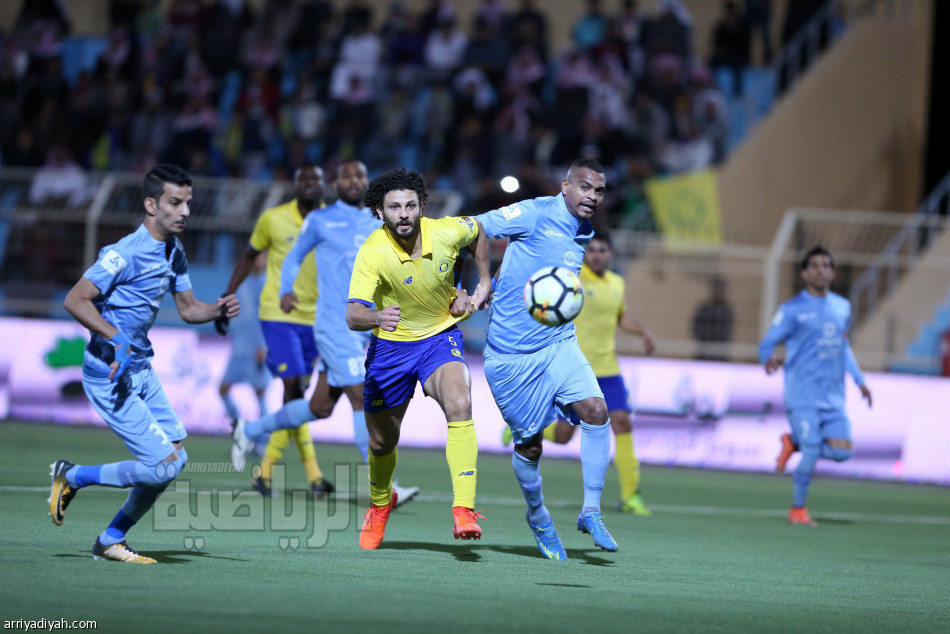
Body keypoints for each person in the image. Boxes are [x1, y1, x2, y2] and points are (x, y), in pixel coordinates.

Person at [50, 164, 240, 563]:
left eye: (188, 202)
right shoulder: (123, 254)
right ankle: (74, 476)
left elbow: (189, 310)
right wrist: (115, 337)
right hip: (109, 373)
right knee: (161, 467)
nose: (184, 211)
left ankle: (110, 539)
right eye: (175, 202)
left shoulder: (174, 250)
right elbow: (75, 299)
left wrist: (218, 310)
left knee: (176, 458)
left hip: (140, 369)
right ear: (151, 205)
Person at [231, 159, 419, 506]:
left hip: (367, 328)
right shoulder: (320, 219)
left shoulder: (380, 220)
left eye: (359, 174)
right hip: (335, 326)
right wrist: (287, 287)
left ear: (367, 181)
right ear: (336, 182)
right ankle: (385, 490)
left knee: (319, 407)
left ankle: (250, 429)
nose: (353, 180)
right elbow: (293, 257)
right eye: (346, 175)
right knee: (363, 398)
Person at [477, 158, 617, 560]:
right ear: (565, 186)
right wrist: (484, 280)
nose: (592, 197)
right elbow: (476, 228)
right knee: (531, 446)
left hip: (558, 344)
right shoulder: (536, 211)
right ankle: (538, 517)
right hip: (510, 357)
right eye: (585, 187)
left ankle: (591, 510)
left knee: (596, 411)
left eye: (599, 191)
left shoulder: (585, 229)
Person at [348, 167, 491, 549]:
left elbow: (476, 230)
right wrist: (377, 317)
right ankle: (380, 504)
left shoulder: (445, 231)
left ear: (422, 206)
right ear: (380, 212)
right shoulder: (372, 252)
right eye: (394, 207)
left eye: (411, 205)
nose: (404, 214)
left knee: (460, 402)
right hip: (390, 349)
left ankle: (464, 509)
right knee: (381, 442)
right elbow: (352, 315)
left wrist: (480, 284)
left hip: (439, 338)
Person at [504, 232, 657, 516]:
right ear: (586, 253)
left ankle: (630, 496)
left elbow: (620, 316)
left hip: (609, 369)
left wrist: (643, 332)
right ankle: (527, 430)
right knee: (564, 436)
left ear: (611, 254)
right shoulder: (571, 278)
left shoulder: (617, 283)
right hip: (576, 368)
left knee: (622, 423)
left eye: (603, 250)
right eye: (593, 250)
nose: (597, 254)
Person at [221, 164, 333, 498]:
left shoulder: (334, 219)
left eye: (317, 178)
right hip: (279, 315)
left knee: (298, 399)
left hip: (318, 319)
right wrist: (228, 296)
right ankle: (300, 474)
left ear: (325, 185)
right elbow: (248, 255)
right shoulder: (273, 218)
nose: (311, 183)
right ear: (295, 184)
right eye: (304, 178)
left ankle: (266, 465)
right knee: (295, 389)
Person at [758, 246, 872, 526]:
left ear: (832, 273)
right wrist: (767, 358)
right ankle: (798, 510)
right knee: (813, 447)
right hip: (802, 395)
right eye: (815, 265)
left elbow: (842, 347)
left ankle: (792, 442)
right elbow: (767, 342)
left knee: (843, 452)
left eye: (826, 265)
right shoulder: (792, 309)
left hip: (833, 397)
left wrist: (860, 381)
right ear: (804, 273)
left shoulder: (842, 306)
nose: (821, 270)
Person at [218, 250, 271, 437]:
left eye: (262, 257)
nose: (258, 260)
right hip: (239, 348)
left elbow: (270, 318)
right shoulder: (241, 282)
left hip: (258, 349)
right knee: (223, 389)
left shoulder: (268, 284)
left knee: (260, 394)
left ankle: (262, 442)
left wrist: (265, 345)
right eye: (256, 256)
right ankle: (241, 432)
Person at [691, 276, 734, 361]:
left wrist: (708, 333)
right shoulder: (704, 309)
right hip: (702, 354)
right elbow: (695, 330)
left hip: (720, 355)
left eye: (720, 290)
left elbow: (724, 333)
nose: (718, 293)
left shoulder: (727, 311)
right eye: (716, 289)